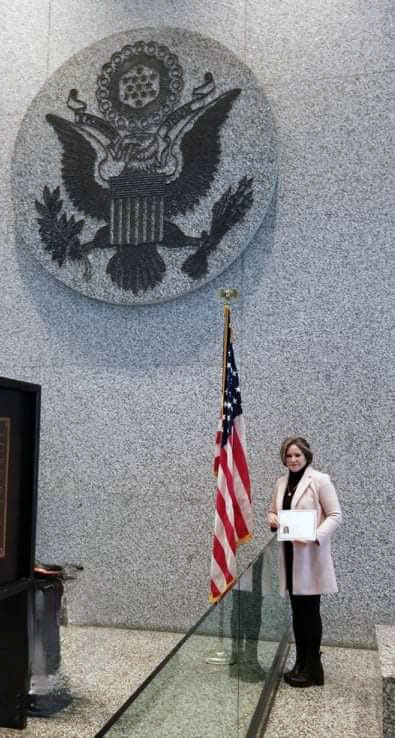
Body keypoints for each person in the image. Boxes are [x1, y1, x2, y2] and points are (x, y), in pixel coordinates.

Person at [267, 436, 342, 687]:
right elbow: (273, 510)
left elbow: (335, 515)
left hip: (310, 556)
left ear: (306, 456)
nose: (293, 460)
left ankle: (313, 666)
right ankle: (300, 662)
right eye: (289, 455)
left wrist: (314, 536)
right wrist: (273, 519)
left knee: (310, 612)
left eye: (297, 455)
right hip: (289, 556)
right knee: (298, 613)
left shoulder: (320, 480)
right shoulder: (281, 483)